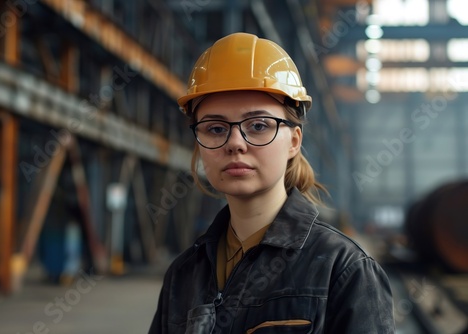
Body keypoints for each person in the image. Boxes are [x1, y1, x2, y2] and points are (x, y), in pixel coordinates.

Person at [149, 32, 395, 334]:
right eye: (215, 128)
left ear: (293, 141)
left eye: (258, 125)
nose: (236, 143)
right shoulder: (183, 275)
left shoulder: (343, 269)